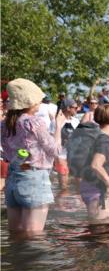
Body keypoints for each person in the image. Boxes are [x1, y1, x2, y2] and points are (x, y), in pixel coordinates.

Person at [2, 79, 66, 237]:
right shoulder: (34, 122)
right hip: (33, 178)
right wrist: (58, 127)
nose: (40, 103)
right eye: (38, 100)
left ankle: (12, 261)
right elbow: (55, 150)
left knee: (15, 235)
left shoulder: (4, 124)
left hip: (12, 180)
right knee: (33, 237)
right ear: (29, 102)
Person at [80, 104, 109, 225]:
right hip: (97, 189)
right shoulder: (104, 140)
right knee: (101, 228)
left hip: (90, 186)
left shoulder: (97, 136)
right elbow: (96, 165)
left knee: (98, 226)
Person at [55, 97, 81, 189]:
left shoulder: (76, 121)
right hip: (61, 155)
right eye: (75, 107)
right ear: (68, 108)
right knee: (64, 186)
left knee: (80, 185)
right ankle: (62, 203)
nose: (77, 109)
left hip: (75, 154)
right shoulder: (56, 121)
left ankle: (77, 203)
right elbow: (51, 138)